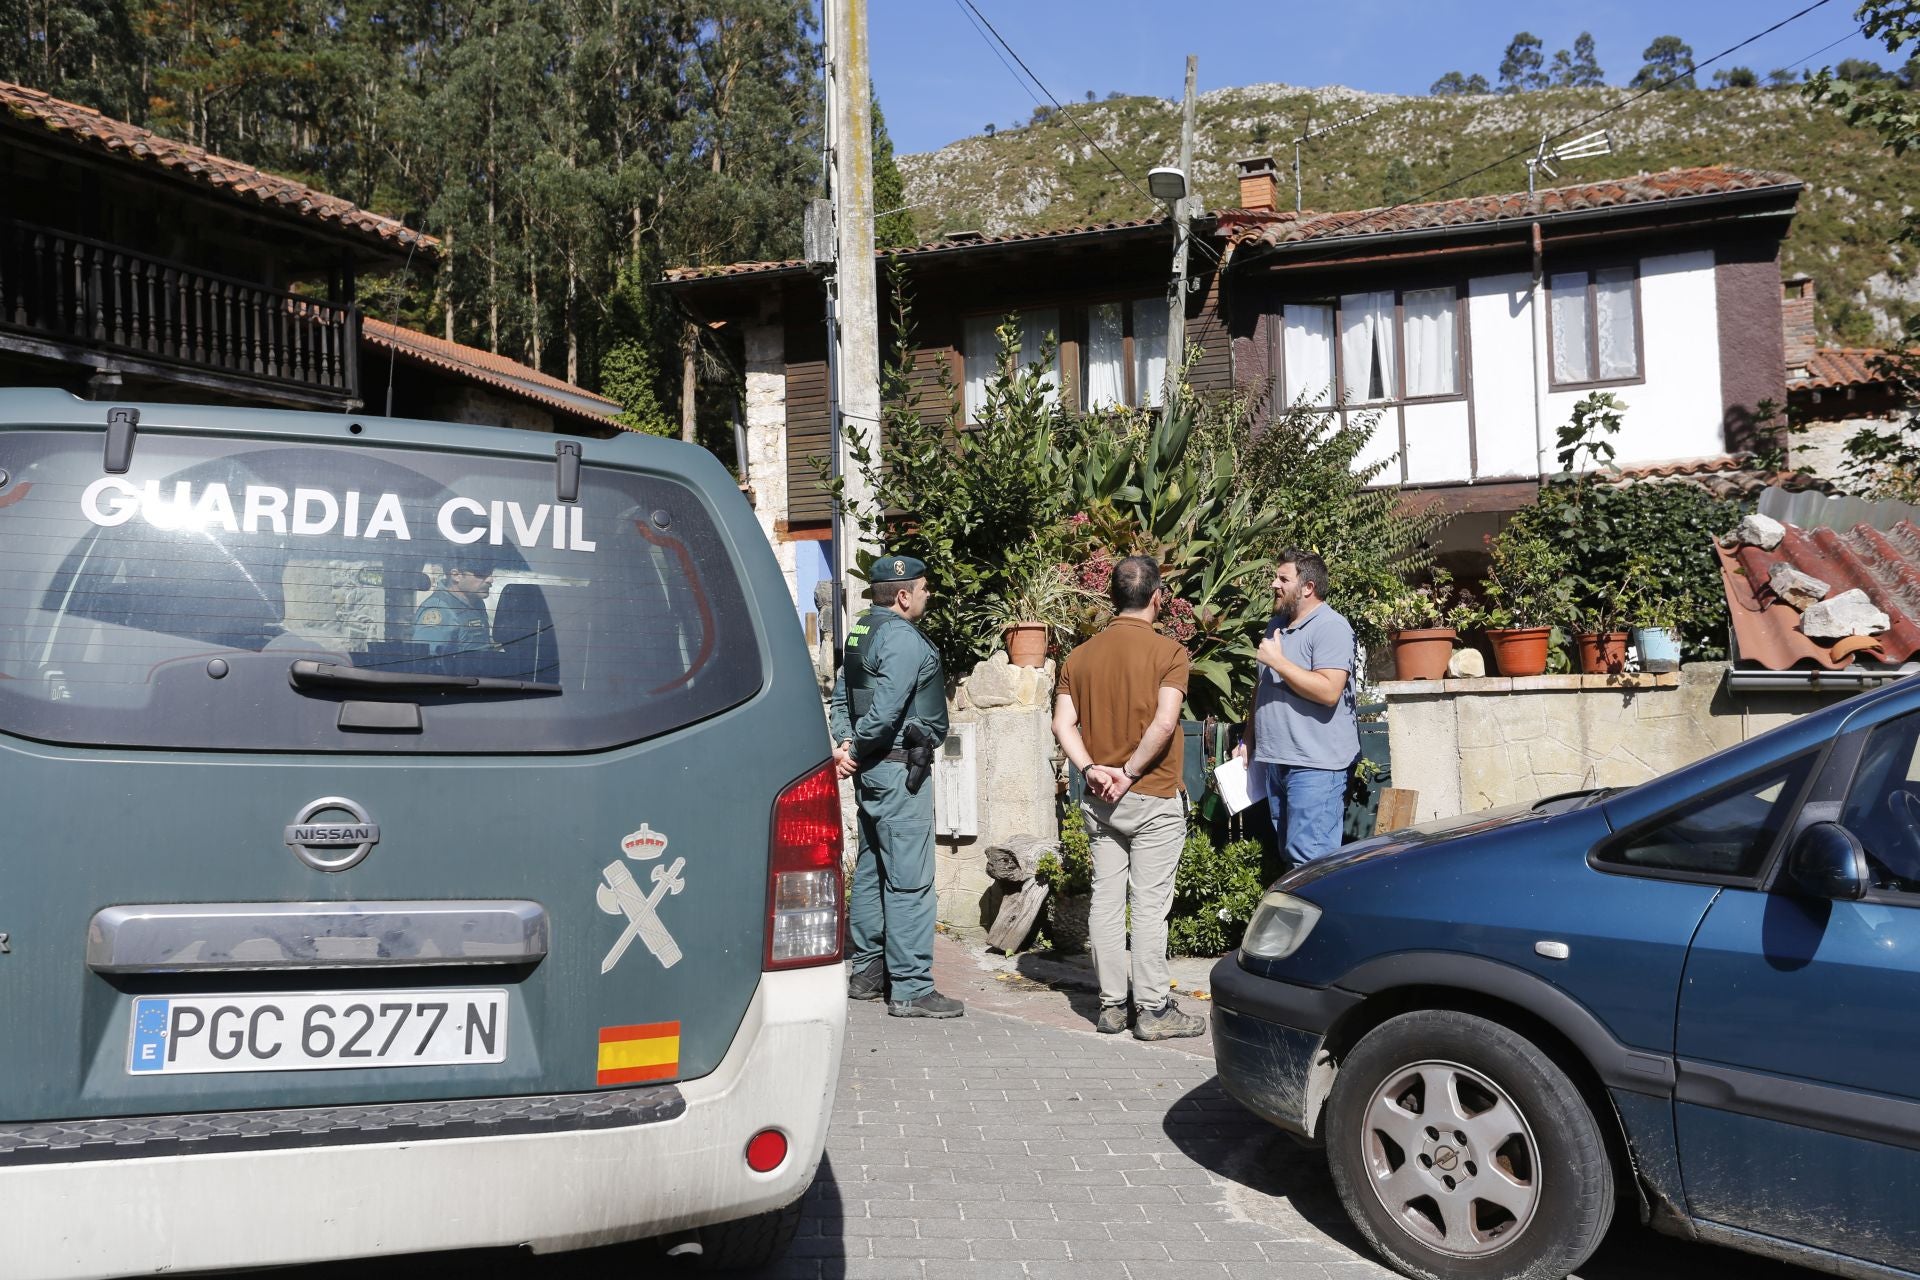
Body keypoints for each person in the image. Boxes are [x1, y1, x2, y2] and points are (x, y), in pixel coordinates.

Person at [1051, 555, 1204, 1041]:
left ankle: (1113, 1005)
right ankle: (1154, 1010)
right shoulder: (1171, 653)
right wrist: (1129, 772)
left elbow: (1062, 723)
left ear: (1111, 597)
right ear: (1157, 597)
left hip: (1101, 800)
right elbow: (1165, 722)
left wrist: (1092, 769)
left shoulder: (1079, 657)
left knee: (1106, 901)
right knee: (1149, 906)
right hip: (1152, 794)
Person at [829, 554, 964, 1019]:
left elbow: (843, 694)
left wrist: (847, 745)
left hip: (871, 770)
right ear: (904, 595)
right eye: (924, 588)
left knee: (871, 871)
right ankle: (910, 986)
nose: (927, 595)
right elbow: (885, 712)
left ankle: (867, 972)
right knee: (909, 879)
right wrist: (858, 743)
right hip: (900, 771)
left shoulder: (861, 630)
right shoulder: (904, 641)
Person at [1237, 549, 1359, 869]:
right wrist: (1248, 740)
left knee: (1311, 863)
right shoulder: (1276, 626)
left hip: (1315, 766)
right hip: (1279, 762)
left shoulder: (1331, 626)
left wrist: (1279, 662)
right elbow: (1261, 687)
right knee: (1292, 858)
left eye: (1283, 579)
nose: (1273, 584)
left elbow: (1330, 690)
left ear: (1308, 587)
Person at [413, 556, 496, 655]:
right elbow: (427, 660)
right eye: (481, 574)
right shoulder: (439, 609)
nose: (490, 580)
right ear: (456, 575)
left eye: (490, 573)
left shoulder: (476, 602)